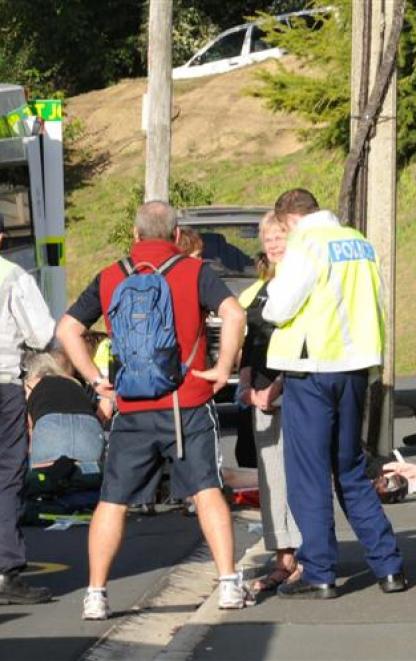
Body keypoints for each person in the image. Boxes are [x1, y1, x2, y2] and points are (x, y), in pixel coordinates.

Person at [56, 200, 251, 619]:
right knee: (206, 490)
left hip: (132, 407)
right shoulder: (194, 271)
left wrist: (95, 379)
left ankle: (95, 594)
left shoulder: (110, 276)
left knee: (113, 501)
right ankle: (229, 584)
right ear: (178, 235)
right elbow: (234, 313)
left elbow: (68, 329)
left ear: (135, 234)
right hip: (188, 403)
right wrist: (222, 367)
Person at [262, 188, 406, 599]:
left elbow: (280, 308)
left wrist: (272, 293)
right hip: (355, 367)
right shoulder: (358, 242)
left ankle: (319, 572)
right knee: (351, 471)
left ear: (289, 220)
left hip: (313, 370)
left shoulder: (305, 244)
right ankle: (388, 567)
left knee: (309, 476)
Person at [238, 212, 301, 591]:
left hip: (293, 389)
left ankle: (309, 555)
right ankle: (283, 556)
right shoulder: (259, 287)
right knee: (271, 479)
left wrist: (274, 388)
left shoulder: (302, 282)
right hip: (260, 393)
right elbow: (252, 342)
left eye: (280, 236)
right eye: (268, 238)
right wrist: (246, 383)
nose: (274, 244)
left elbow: (303, 341)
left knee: (301, 478)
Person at [0, 229, 54, 604]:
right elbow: (42, 334)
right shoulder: (11, 276)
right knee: (6, 476)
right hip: (2, 384)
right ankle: (6, 573)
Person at [23, 351, 105, 470]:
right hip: (89, 431)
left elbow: (29, 428)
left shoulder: (29, 384)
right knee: (85, 480)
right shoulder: (74, 382)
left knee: (43, 480)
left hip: (51, 429)